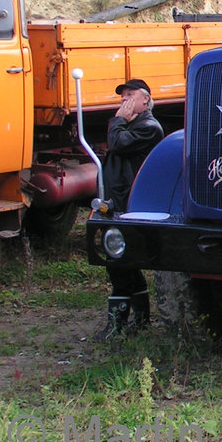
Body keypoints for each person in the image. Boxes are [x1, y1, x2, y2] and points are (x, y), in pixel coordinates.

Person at [94, 78, 164, 341]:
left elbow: (118, 143)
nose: (124, 100)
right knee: (121, 261)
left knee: (118, 260)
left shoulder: (148, 127)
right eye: (122, 95)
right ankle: (139, 319)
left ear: (145, 99)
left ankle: (117, 324)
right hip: (118, 200)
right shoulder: (133, 125)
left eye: (130, 94)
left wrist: (117, 120)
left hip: (129, 202)